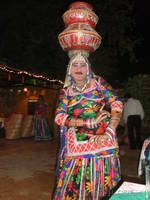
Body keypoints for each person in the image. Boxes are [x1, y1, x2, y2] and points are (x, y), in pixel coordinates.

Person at [53, 52, 123, 199]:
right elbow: (59, 117)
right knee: (73, 184)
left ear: (89, 68)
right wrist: (89, 122)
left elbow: (116, 103)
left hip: (104, 140)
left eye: (83, 64)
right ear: (69, 69)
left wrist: (110, 132)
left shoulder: (98, 82)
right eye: (75, 65)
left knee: (104, 183)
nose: (79, 68)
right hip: (75, 145)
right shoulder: (65, 92)